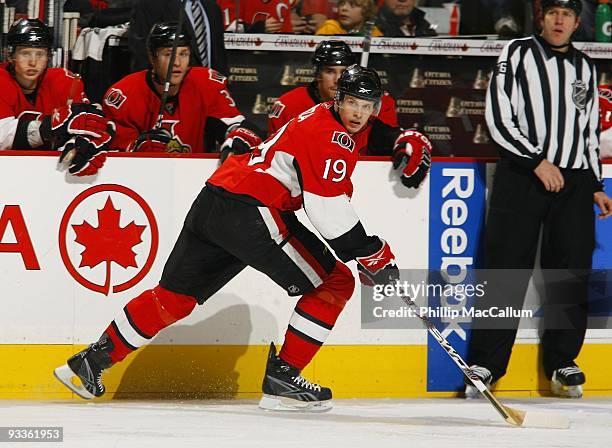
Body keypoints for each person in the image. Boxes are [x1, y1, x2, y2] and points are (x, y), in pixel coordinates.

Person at [54, 65, 421, 411]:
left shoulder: (321, 118)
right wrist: (373, 254)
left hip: (215, 201)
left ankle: (89, 363)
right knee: (335, 283)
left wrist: (364, 250)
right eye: (352, 103)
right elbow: (326, 208)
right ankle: (284, 377)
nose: (358, 113)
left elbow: (324, 199)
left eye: (366, 105)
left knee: (175, 297)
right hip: (251, 210)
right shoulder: (333, 136)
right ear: (339, 99)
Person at [465, 0, 612, 400]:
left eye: (567, 14)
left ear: (577, 22)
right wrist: (536, 161)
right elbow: (498, 115)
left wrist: (595, 183)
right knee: (504, 268)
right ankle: (486, 363)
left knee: (570, 273)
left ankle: (563, 361)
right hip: (522, 176)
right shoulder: (516, 53)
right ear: (541, 18)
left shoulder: (586, 66)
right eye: (553, 13)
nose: (560, 20)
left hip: (576, 182)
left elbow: (588, 130)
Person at [269, 40, 432, 187]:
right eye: (330, 71)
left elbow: (386, 136)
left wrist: (410, 139)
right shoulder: (289, 104)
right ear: (317, 75)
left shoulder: (372, 102)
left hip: (361, 182)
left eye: (344, 71)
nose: (338, 79)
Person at [102, 22, 263, 154]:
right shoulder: (124, 94)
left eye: (183, 54)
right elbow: (117, 154)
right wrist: (138, 149)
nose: (177, 63)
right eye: (168, 54)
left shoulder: (206, 83)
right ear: (152, 57)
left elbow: (234, 126)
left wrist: (238, 138)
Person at [0, 18, 113, 176]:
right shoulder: (1, 81)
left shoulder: (64, 82)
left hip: (51, 174)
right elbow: (2, 135)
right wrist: (48, 127)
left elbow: (93, 123)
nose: (33, 62)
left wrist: (78, 142)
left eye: (40, 54)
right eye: (25, 53)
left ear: (49, 57)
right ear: (10, 55)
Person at [129, 0, 228, 74]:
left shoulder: (213, 8)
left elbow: (219, 57)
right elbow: (142, 54)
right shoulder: (149, 4)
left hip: (209, 93)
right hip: (170, 95)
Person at [316, 0, 383, 36]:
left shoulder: (373, 33)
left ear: (367, 10)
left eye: (353, 5)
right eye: (341, 4)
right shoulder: (329, 28)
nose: (343, 8)